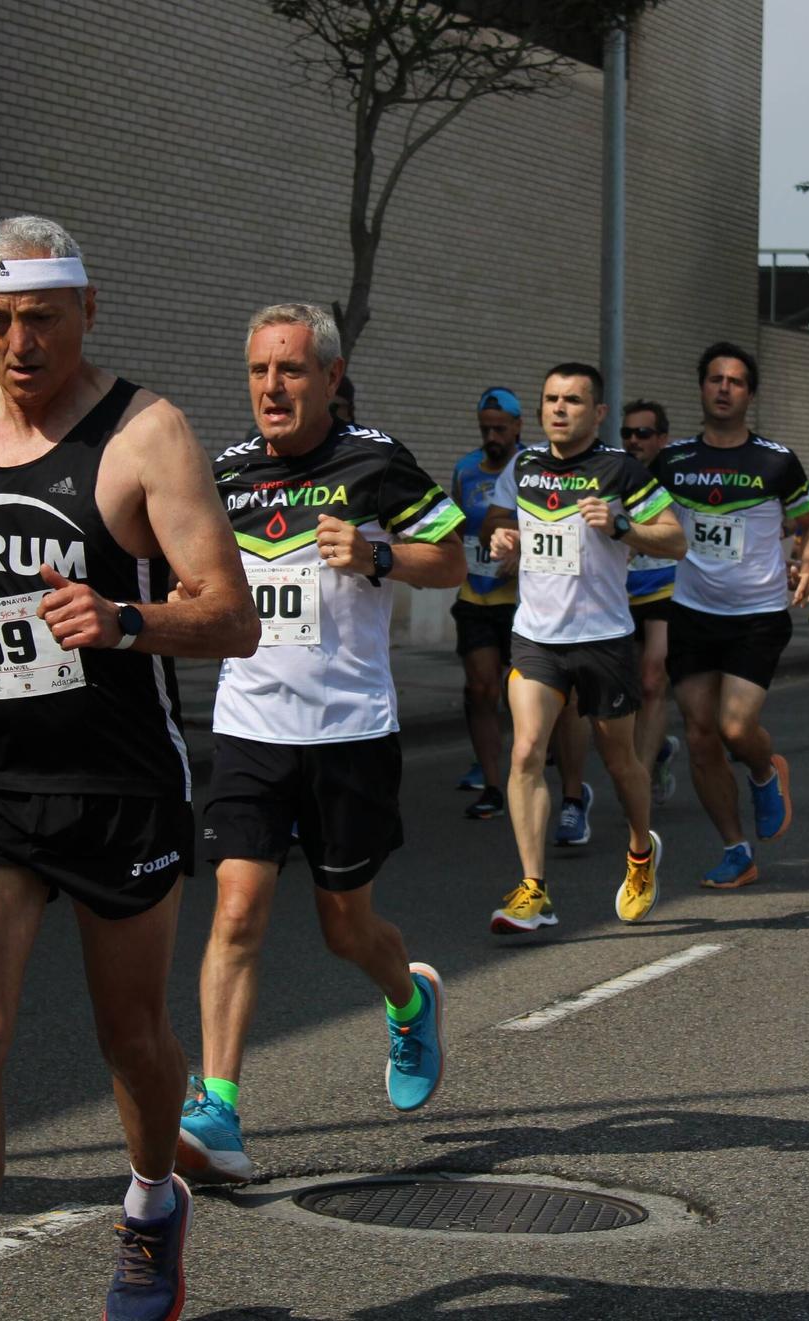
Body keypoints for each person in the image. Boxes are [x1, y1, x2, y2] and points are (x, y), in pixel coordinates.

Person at [0, 216, 260, 1321]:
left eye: (39, 318)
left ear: (87, 308)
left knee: (131, 1038)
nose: (17, 344)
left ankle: (150, 1201)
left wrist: (126, 619)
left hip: (115, 778)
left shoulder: (148, 436)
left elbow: (228, 615)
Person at [178, 304, 463, 1186]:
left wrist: (379, 556)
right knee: (235, 911)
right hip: (251, 726)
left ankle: (409, 1000)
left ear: (330, 379)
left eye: (292, 370)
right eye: (260, 370)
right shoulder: (223, 474)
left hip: (348, 732)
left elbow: (453, 558)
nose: (272, 387)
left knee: (346, 928)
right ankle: (217, 1105)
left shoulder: (375, 461)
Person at [485, 364, 686, 933]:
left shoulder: (619, 470)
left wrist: (621, 525)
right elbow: (499, 520)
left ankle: (640, 853)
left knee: (621, 762)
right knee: (526, 752)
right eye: (550, 398)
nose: (558, 409)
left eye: (573, 400)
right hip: (536, 638)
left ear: (597, 413)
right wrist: (500, 536)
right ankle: (533, 890)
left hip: (603, 640)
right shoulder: (523, 466)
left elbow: (675, 540)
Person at [655, 343, 809, 888]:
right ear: (701, 387)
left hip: (756, 613)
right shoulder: (674, 461)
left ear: (750, 393)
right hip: (692, 612)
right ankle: (736, 850)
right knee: (701, 734)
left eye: (735, 381)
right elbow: (644, 522)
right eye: (715, 379)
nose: (724, 388)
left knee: (733, 726)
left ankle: (762, 768)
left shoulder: (775, 461)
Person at [449, 387, 524, 818]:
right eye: (485, 428)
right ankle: (493, 785)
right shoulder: (466, 469)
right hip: (475, 593)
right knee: (481, 689)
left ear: (517, 427)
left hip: (520, 599)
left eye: (500, 428)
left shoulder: (531, 468)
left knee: (523, 692)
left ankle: (524, 772)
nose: (492, 436)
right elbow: (458, 523)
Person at [620, 399, 684, 803]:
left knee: (652, 679)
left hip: (666, 589)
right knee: (625, 690)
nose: (634, 441)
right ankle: (658, 747)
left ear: (661, 438)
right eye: (627, 433)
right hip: (622, 591)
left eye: (643, 433)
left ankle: (639, 780)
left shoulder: (676, 477)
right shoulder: (614, 473)